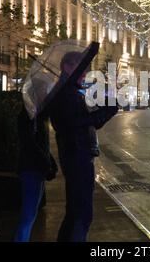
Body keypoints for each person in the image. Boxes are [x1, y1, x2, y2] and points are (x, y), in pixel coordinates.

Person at [49, 51, 118, 242]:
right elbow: (79, 123)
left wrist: (105, 109)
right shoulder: (66, 93)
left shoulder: (69, 90)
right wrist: (107, 111)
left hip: (76, 154)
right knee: (82, 213)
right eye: (82, 68)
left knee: (75, 212)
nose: (86, 72)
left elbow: (87, 122)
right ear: (68, 67)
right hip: (77, 155)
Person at [14, 107, 58, 242]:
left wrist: (50, 162)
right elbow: (31, 144)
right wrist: (47, 163)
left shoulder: (35, 116)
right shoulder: (30, 116)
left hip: (35, 169)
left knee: (30, 214)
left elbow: (40, 144)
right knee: (28, 214)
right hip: (31, 169)